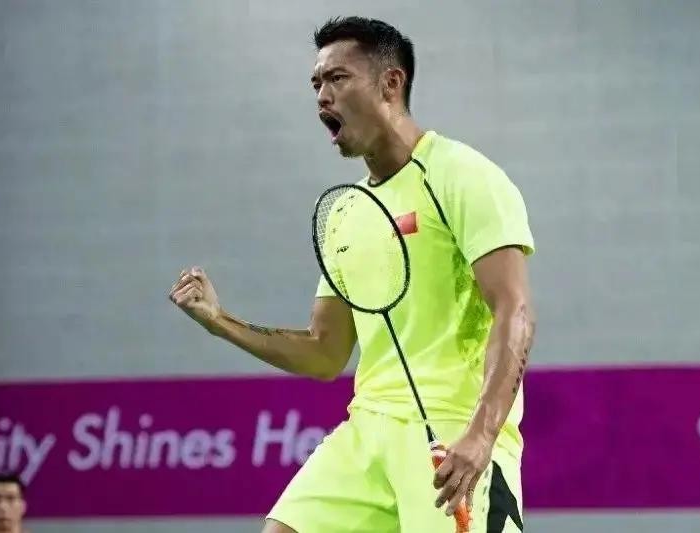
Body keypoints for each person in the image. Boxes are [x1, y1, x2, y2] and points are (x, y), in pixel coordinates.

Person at [168, 15, 535, 533]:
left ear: (391, 83)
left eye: (337, 78)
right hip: (368, 428)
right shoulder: (346, 213)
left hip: (453, 429)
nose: (322, 96)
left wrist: (481, 436)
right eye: (316, 83)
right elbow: (325, 351)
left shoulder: (462, 175)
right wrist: (219, 321)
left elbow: (514, 310)